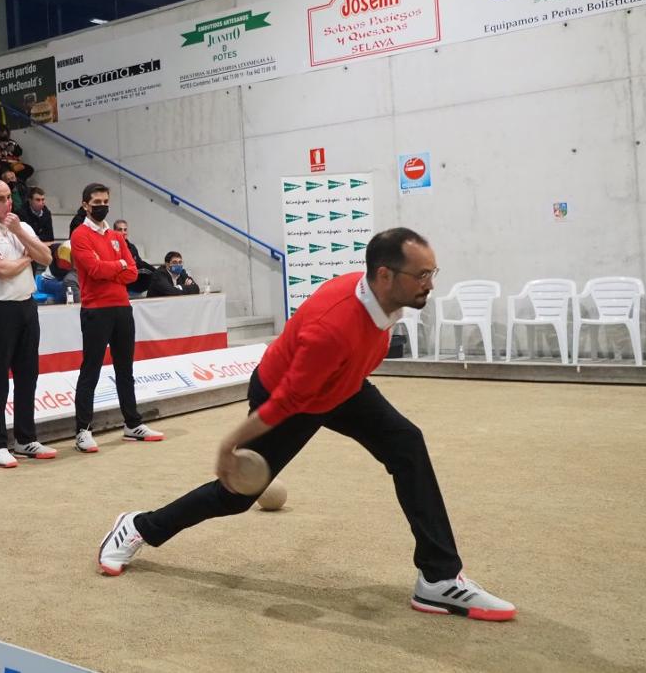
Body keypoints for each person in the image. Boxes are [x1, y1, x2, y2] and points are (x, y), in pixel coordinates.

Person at [95, 230, 518, 622]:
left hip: (339, 384)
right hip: (290, 394)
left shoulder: (384, 299)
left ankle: (439, 578)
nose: (429, 284)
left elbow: (349, 364)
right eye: (421, 275)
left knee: (406, 443)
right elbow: (288, 400)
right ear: (385, 275)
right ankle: (138, 526)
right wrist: (230, 446)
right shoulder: (332, 328)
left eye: (431, 273)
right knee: (234, 497)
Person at [0, 179, 56, 468]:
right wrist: (27, 259)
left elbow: (47, 257)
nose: (7, 203)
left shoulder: (22, 226)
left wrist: (19, 233)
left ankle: (25, 438)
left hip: (27, 305)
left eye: (8, 197)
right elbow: (2, 270)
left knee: (28, 375)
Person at [70, 183, 164, 452]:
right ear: (86, 205)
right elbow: (95, 270)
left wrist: (116, 267)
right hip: (95, 310)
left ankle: (132, 423)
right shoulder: (80, 235)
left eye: (105, 201)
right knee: (91, 370)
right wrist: (118, 265)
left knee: (125, 369)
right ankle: (83, 430)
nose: (102, 206)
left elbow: (132, 272)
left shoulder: (115, 236)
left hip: (122, 308)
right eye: (97, 202)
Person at [112, 219, 154, 294]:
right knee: (150, 273)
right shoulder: (111, 246)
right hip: (121, 280)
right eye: (120, 230)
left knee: (153, 275)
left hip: (134, 278)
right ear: (114, 231)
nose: (123, 232)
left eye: (125, 230)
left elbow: (139, 263)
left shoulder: (132, 247)